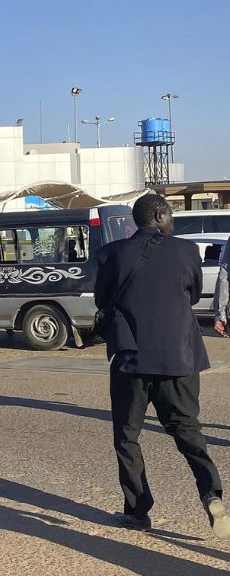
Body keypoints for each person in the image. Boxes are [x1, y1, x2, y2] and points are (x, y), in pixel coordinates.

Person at [95, 194, 229, 537]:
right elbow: (194, 295)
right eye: (170, 215)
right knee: (188, 431)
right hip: (179, 360)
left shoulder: (112, 253)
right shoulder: (186, 251)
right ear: (159, 215)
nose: (173, 222)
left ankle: (138, 511)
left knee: (127, 437)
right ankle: (212, 494)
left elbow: (102, 299)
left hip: (130, 360)